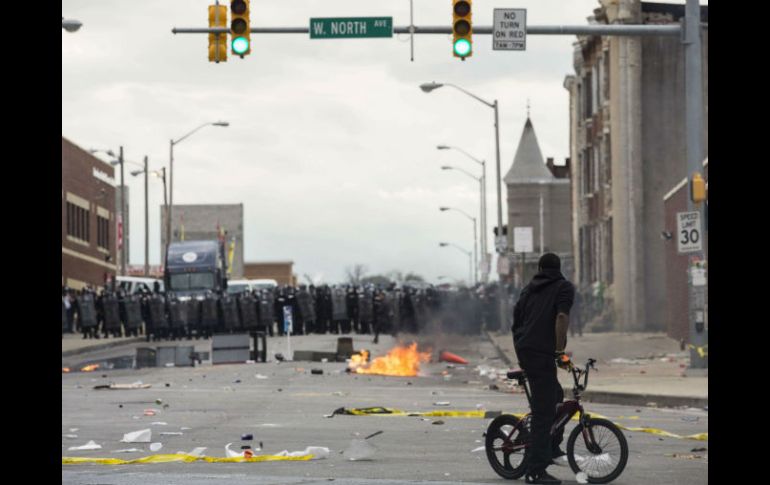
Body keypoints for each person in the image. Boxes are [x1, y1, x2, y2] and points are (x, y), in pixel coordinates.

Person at [512, 253, 575, 485]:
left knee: (556, 395)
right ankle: (535, 471)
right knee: (544, 412)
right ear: (559, 268)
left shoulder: (528, 290)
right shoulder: (564, 287)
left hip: (528, 350)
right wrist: (559, 351)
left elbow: (516, 322)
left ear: (539, 268)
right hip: (541, 353)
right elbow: (562, 317)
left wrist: (521, 348)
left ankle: (551, 446)